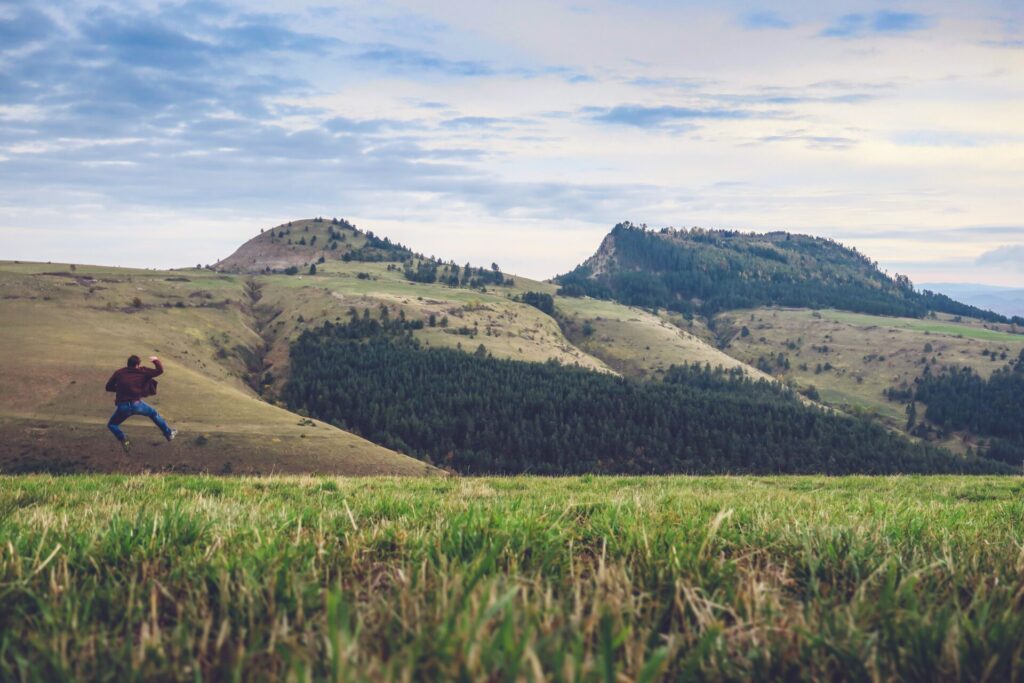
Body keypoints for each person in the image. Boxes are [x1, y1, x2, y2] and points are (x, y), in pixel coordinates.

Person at [105, 355, 177, 453]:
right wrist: (155, 360)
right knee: (153, 414)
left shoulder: (119, 373)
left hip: (123, 407)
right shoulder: (142, 371)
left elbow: (108, 387)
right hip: (137, 405)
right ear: (137, 365)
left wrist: (120, 390)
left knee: (112, 424)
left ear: (128, 363)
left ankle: (123, 438)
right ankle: (168, 433)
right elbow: (160, 371)